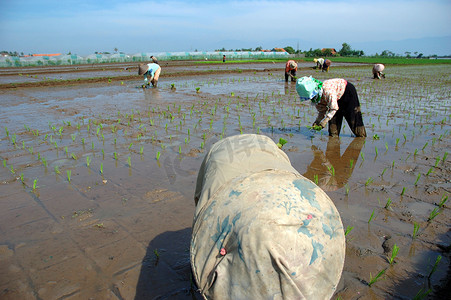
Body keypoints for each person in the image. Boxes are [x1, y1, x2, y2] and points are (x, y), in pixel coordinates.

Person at [191, 134, 345, 300]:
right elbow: (202, 210)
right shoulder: (219, 175)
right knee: (211, 223)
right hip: (223, 160)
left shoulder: (298, 210)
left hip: (267, 155)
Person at [296, 76, 367, 137]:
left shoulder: (327, 91)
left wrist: (325, 121)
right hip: (334, 99)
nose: (312, 99)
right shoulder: (316, 98)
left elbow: (334, 108)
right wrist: (317, 121)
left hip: (347, 93)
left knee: (353, 119)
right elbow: (322, 110)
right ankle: (333, 144)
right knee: (333, 128)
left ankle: (361, 136)